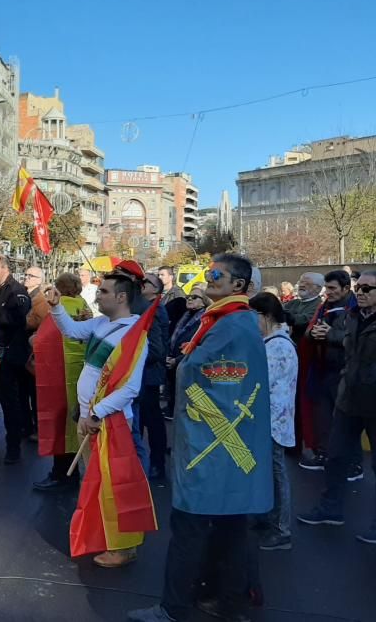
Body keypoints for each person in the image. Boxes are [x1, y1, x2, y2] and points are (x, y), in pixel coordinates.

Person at [129, 253, 272, 622]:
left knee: (193, 528)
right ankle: (224, 600)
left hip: (217, 450)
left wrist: (186, 367)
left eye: (215, 274)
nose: (207, 278)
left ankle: (174, 608)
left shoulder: (233, 325)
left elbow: (219, 382)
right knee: (227, 529)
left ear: (238, 285)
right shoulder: (225, 321)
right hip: (221, 450)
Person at [44, 265, 151, 568]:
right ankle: (103, 537)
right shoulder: (102, 323)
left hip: (109, 422)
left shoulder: (134, 333)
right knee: (95, 483)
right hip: (92, 418)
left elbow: (130, 388)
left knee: (113, 486)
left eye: (103, 292)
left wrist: (98, 413)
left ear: (120, 296)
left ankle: (124, 546)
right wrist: (55, 307)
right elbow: (72, 331)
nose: (97, 296)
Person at [298, 270, 376, 545]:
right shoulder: (353, 316)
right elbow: (346, 344)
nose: (361, 292)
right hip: (349, 397)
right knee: (335, 456)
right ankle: (330, 508)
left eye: (368, 289)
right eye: (360, 287)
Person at [31, 272, 90, 492]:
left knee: (58, 424)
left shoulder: (57, 307)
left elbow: (42, 338)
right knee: (73, 423)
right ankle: (69, 474)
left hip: (58, 374)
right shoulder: (84, 306)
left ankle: (61, 475)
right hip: (79, 374)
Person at [249, 292, 297, 551]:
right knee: (267, 473)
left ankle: (281, 528)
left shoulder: (279, 346)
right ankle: (267, 518)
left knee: (277, 474)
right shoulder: (271, 342)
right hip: (266, 419)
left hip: (272, 421)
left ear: (265, 316)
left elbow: (264, 383)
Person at [300, 269, 356, 473]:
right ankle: (325, 454)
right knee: (322, 416)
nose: (328, 292)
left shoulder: (356, 308)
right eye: (327, 288)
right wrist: (314, 333)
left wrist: (331, 334)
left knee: (345, 421)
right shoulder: (324, 307)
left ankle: (352, 463)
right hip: (322, 369)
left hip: (344, 371)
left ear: (346, 288)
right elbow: (309, 332)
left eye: (332, 288)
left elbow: (356, 339)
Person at [0, 254, 32, 464]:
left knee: (9, 403)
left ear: (4, 268)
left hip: (7, 356)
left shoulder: (16, 292)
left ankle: (13, 446)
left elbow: (21, 325)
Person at [137, 273, 171, 479]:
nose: (142, 284)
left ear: (155, 290)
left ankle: (157, 464)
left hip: (149, 374)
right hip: (144, 373)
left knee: (152, 420)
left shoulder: (155, 310)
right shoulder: (144, 307)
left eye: (147, 282)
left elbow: (156, 349)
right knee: (142, 419)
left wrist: (133, 356)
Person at [164, 286, 210, 419]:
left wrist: (177, 360)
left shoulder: (205, 320)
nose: (189, 299)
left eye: (194, 297)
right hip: (175, 362)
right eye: (188, 297)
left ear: (204, 300)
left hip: (189, 365)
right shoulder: (185, 315)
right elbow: (174, 337)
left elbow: (199, 345)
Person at [22, 265, 48, 439]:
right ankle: (28, 426)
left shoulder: (40, 300)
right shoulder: (26, 296)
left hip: (34, 350)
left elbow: (37, 322)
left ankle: (38, 428)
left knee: (35, 393)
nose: (27, 278)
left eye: (31, 276)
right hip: (24, 349)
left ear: (39, 280)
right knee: (25, 392)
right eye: (26, 274)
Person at [284, 272, 324, 344]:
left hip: (304, 348)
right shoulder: (294, 302)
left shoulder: (319, 306)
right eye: (301, 282)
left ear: (318, 289)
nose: (302, 285)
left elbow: (302, 320)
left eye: (307, 283)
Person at [159, 265, 186, 330]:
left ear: (170, 277)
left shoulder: (178, 293)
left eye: (162, 275)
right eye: (158, 275)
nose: (159, 277)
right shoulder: (157, 292)